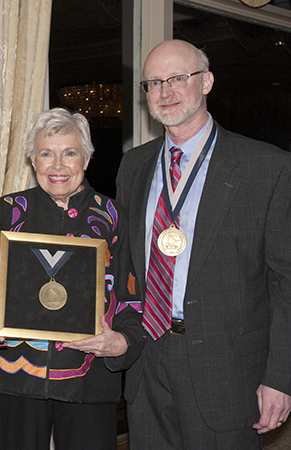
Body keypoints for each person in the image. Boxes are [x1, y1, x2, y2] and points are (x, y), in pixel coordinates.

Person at [116, 39, 291, 449]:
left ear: (207, 82)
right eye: (154, 83)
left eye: (178, 78)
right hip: (148, 361)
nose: (165, 91)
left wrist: (281, 378)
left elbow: (286, 282)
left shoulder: (266, 167)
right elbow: (120, 262)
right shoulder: (134, 165)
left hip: (228, 370)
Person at [0, 107, 145, 450]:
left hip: (88, 379)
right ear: (33, 161)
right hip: (17, 378)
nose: (57, 165)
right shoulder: (6, 210)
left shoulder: (114, 217)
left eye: (69, 153)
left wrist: (121, 343)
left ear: (86, 157)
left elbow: (133, 295)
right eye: (46, 154)